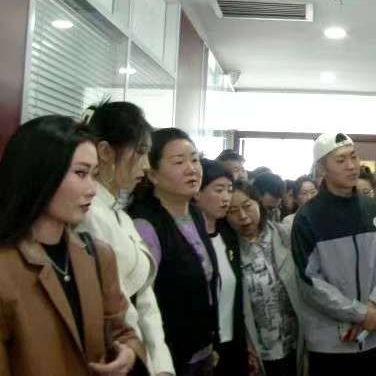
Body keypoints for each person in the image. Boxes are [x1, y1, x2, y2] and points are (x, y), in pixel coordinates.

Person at [0, 115, 145, 375]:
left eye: (94, 174)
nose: (92, 188)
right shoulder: (6, 266)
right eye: (80, 173)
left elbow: (121, 331)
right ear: (40, 173)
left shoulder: (97, 255)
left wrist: (128, 354)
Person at [291, 133, 376, 376]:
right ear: (322, 168)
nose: (352, 166)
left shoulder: (372, 209)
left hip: (375, 335)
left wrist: (374, 305)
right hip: (331, 343)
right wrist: (359, 313)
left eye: (354, 156)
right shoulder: (307, 218)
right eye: (341, 160)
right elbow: (309, 282)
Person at [77, 101, 175, 376]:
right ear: (106, 152)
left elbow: (144, 296)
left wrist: (161, 365)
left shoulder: (118, 214)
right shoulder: (89, 215)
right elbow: (119, 305)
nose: (146, 165)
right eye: (140, 152)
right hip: (116, 353)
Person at [128, 128, 220, 376]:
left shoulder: (196, 214)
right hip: (168, 357)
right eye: (179, 162)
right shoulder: (145, 225)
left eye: (195, 160)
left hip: (202, 349)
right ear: (153, 174)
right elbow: (140, 302)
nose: (192, 169)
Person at [226, 180, 301, 376]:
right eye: (232, 211)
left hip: (295, 340)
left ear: (258, 203)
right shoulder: (228, 249)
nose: (243, 216)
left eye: (247, 206)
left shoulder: (285, 235)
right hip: (257, 348)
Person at [196, 159, 251, 376]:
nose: (226, 197)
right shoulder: (188, 239)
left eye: (229, 189)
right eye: (218, 190)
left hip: (233, 342)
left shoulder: (229, 236)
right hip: (202, 347)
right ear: (197, 192)